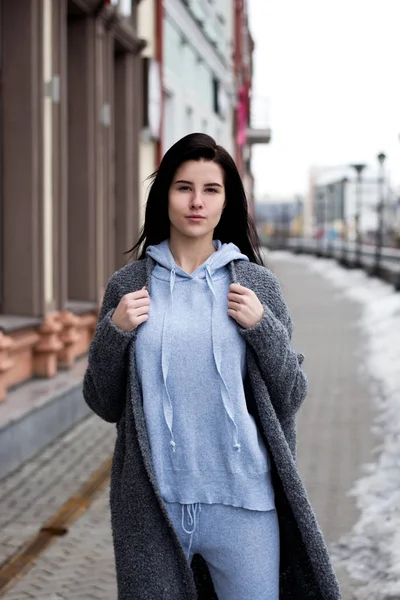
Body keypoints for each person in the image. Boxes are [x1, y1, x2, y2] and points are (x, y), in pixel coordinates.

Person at [83, 133, 341, 600]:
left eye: (211, 189)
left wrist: (262, 328)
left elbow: (292, 394)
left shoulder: (257, 286)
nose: (196, 202)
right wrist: (114, 333)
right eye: (183, 188)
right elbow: (102, 401)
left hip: (245, 506)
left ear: (228, 201)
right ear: (164, 196)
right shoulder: (128, 285)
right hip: (154, 507)